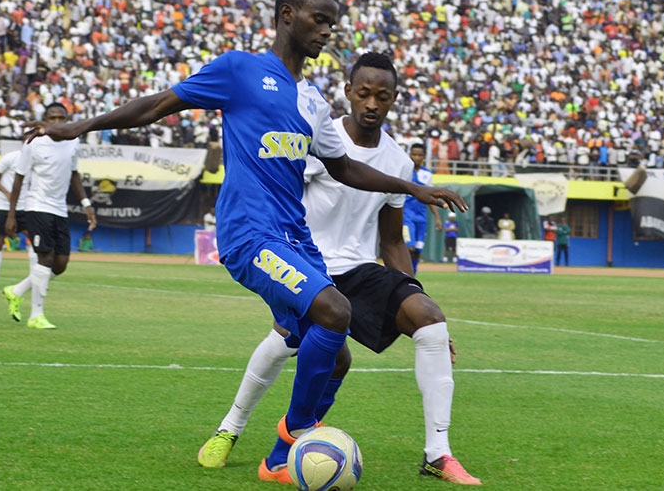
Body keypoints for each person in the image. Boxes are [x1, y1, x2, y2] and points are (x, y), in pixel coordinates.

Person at [24, 0, 467, 479]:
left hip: (295, 240)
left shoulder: (314, 101)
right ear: (285, 16)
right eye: (318, 20)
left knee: (336, 357)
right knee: (335, 309)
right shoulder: (239, 70)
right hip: (249, 236)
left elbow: (343, 167)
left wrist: (411, 188)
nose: (326, 31)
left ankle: (278, 460)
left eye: (332, 24)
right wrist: (77, 126)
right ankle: (295, 436)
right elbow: (156, 106)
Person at [196, 52, 480, 485]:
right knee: (298, 345)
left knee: (430, 322)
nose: (371, 103)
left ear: (393, 100)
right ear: (347, 93)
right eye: (363, 93)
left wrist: (415, 293)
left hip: (359, 268)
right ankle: (229, 428)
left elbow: (391, 241)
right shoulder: (315, 137)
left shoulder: (399, 162)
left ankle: (437, 453)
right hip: (303, 259)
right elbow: (281, 192)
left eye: (382, 97)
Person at [3, 102, 97, 330]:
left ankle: (16, 291)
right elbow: (19, 179)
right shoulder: (32, 144)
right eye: (52, 118)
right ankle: (36, 315)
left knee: (61, 263)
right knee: (44, 258)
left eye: (61, 118)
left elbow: (74, 174)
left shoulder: (74, 142)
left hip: (59, 208)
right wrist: (12, 214)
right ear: (44, 120)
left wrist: (86, 203)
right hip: (37, 206)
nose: (57, 122)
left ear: (67, 120)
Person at [0, 144, 36, 290]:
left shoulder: (36, 161)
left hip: (23, 206)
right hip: (2, 205)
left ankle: (35, 279)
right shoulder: (11, 157)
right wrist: (6, 193)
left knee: (34, 238)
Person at [403, 143, 443, 275]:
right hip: (406, 215)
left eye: (420, 155)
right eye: (414, 154)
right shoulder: (404, 171)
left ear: (424, 157)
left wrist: (437, 217)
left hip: (421, 216)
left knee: (418, 250)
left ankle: (412, 277)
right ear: (409, 155)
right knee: (410, 247)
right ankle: (405, 275)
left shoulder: (427, 174)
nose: (417, 157)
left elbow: (429, 197)